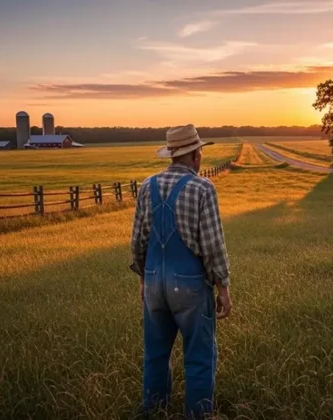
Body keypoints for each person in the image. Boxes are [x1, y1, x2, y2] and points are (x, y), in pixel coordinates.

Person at [130, 123, 233, 418]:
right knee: (200, 356)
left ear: (172, 155)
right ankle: (198, 414)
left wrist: (143, 279)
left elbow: (138, 240)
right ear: (197, 155)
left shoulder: (147, 186)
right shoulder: (202, 188)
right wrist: (223, 286)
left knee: (155, 353)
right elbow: (213, 245)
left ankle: (153, 411)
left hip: (153, 282)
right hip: (189, 284)